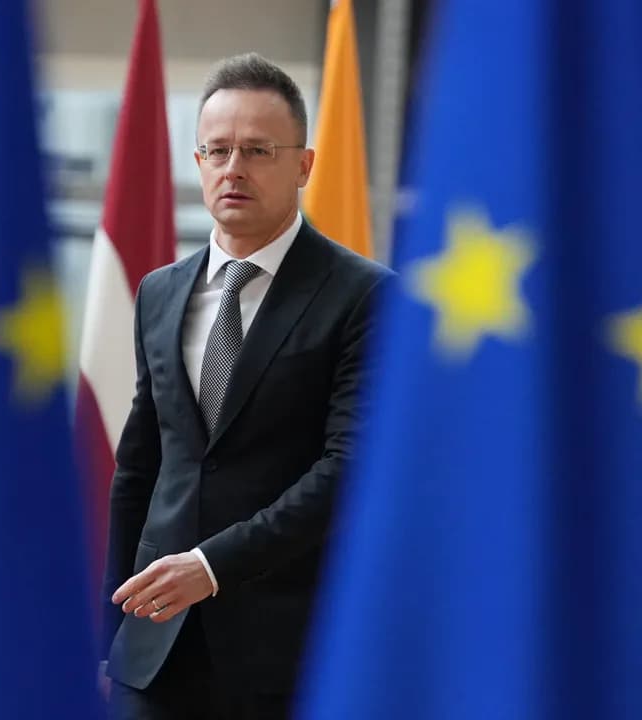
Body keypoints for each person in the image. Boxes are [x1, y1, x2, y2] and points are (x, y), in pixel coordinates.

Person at [101, 53, 392, 720]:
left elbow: (347, 469)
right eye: (218, 150)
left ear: (304, 166)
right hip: (152, 647)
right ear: (198, 162)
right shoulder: (159, 292)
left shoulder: (363, 296)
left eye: (258, 151)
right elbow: (140, 468)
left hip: (287, 650)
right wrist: (108, 634)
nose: (234, 168)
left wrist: (210, 566)